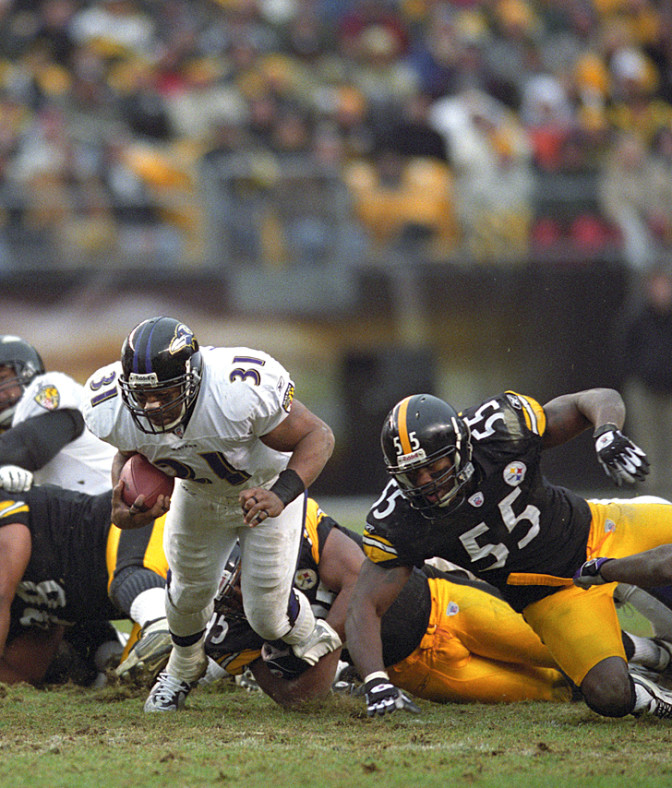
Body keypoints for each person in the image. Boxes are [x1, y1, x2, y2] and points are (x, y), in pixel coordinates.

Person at [347, 389, 672, 721]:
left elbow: (594, 399)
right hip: (553, 594)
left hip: (603, 529)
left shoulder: (500, 430)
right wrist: (376, 682)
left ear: (461, 448)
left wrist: (607, 432)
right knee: (610, 694)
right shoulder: (402, 517)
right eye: (411, 474)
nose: (425, 482)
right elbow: (364, 604)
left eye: (433, 467)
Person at [81, 316, 339, 712]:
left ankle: (314, 636)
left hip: (264, 490)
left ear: (193, 378)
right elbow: (129, 451)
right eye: (142, 396)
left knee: (266, 616)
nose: (152, 407)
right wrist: (122, 501)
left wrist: (281, 495)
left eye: (164, 394)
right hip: (199, 494)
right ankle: (183, 668)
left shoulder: (237, 390)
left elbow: (317, 436)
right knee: (186, 593)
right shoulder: (113, 408)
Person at [206, 498, 664, 707]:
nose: (244, 591)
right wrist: (302, 648)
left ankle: (655, 655)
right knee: (549, 691)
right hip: (417, 668)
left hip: (444, 603)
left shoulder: (296, 534)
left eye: (243, 576)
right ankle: (649, 687)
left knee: (561, 650)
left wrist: (316, 638)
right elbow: (301, 697)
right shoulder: (232, 632)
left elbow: (354, 580)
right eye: (232, 590)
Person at [0, 484, 169, 686]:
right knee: (135, 683)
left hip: (137, 525)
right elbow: (24, 669)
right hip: (146, 599)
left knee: (131, 580)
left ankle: (161, 626)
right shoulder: (17, 602)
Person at [0, 334, 114, 495]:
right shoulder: (12, 430)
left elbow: (26, 447)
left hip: (111, 505)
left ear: (28, 371)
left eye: (0, 378)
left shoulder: (51, 386)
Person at [621, 267, 672, 499]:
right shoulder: (637, 315)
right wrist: (638, 374)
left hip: (669, 390)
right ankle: (651, 495)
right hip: (644, 390)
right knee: (646, 443)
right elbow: (623, 348)